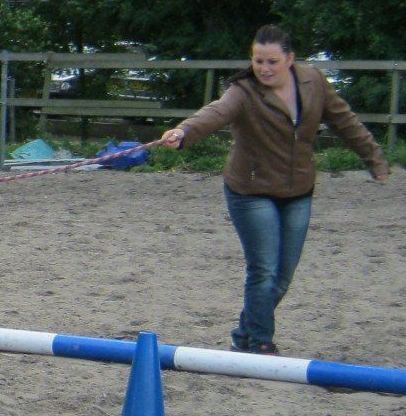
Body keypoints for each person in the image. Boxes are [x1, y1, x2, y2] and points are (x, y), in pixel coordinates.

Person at [159, 25, 389, 355]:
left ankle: (243, 336)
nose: (264, 69)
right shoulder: (243, 91)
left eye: (272, 62)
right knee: (263, 271)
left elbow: (345, 121)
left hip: (298, 190)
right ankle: (261, 343)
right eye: (258, 61)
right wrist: (183, 132)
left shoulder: (313, 82)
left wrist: (374, 158)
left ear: (290, 60)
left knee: (282, 278)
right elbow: (216, 113)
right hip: (250, 190)